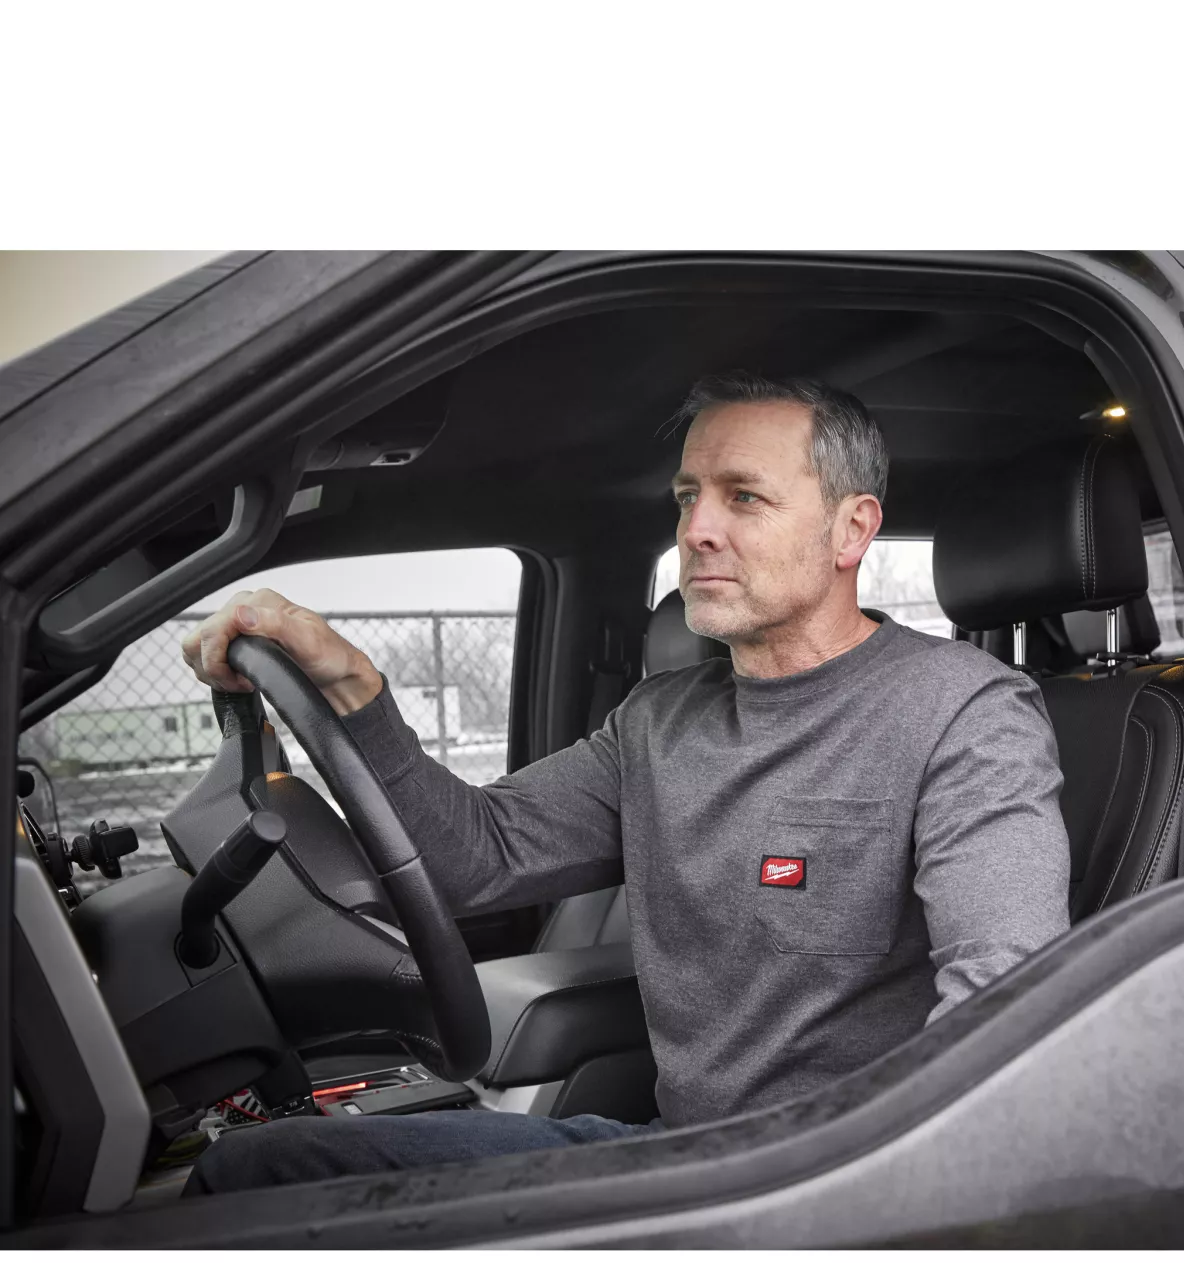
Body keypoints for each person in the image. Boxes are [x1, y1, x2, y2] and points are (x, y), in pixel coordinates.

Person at [181, 372, 1071, 1192]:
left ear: (852, 530)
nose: (696, 530)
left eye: (744, 496)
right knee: (256, 1172)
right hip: (674, 1156)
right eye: (688, 497)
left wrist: (850, 1199)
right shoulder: (659, 719)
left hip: (827, 1183)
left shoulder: (964, 713)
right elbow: (478, 858)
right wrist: (352, 688)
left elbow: (1003, 1001)